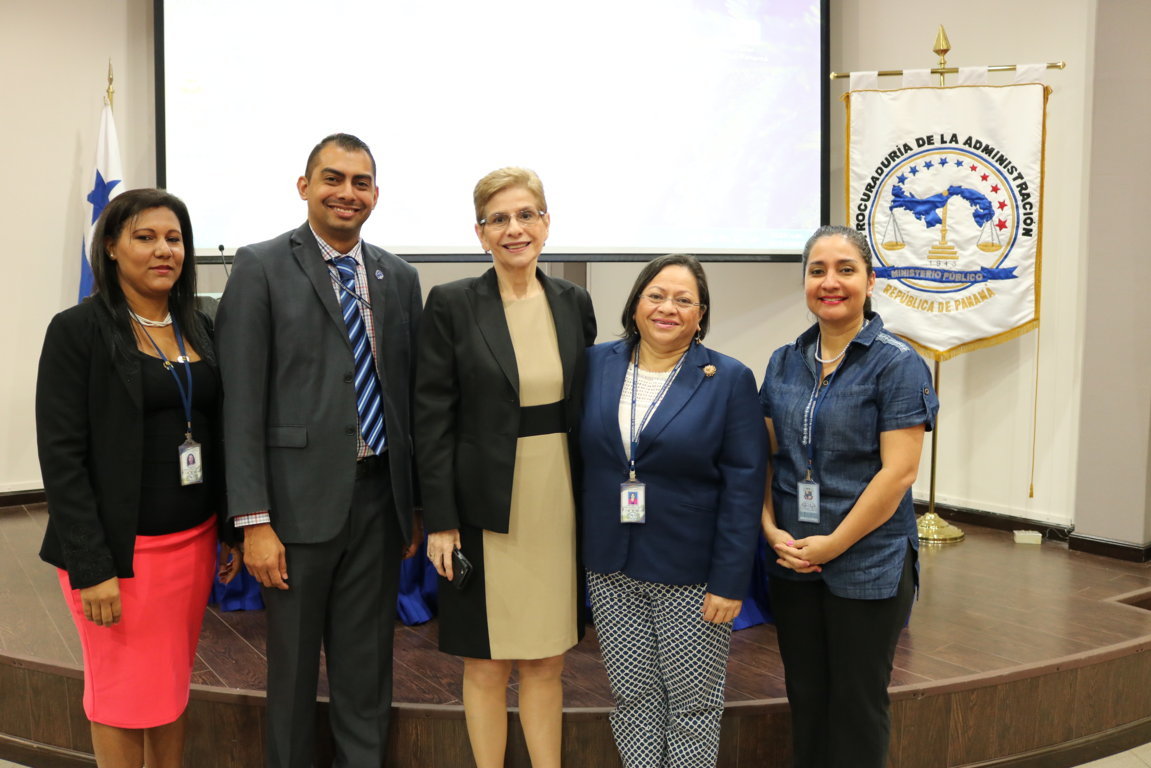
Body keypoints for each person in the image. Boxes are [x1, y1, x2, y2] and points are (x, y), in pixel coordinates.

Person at [215, 133, 423, 768]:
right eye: (333, 178)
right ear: (304, 187)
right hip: (293, 511)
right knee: (294, 675)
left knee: (367, 673)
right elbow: (240, 402)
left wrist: (412, 507)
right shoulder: (260, 266)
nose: (347, 193)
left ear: (376, 195)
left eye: (361, 183)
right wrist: (253, 520)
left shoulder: (399, 276)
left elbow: (408, 399)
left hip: (377, 501)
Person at [36, 188, 242, 768]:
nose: (162, 251)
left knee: (171, 687)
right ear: (111, 246)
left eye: (173, 239)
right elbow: (62, 457)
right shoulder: (77, 330)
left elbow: (218, 429)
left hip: (192, 545)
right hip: (118, 558)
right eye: (145, 237)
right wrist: (91, 567)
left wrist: (226, 528)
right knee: (122, 694)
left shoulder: (199, 326)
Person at [417, 167, 597, 768]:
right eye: (499, 220)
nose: (514, 229)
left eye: (526, 215)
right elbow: (432, 420)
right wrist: (441, 521)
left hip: (558, 501)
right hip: (482, 505)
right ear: (480, 233)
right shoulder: (450, 304)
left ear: (546, 222)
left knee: (548, 659)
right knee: (487, 661)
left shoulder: (574, 302)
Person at [760, 225, 939, 768]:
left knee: (857, 704)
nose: (830, 282)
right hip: (794, 558)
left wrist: (834, 543)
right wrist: (769, 529)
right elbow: (766, 458)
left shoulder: (896, 363)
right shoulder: (784, 361)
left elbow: (899, 474)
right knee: (807, 698)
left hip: (868, 561)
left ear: (869, 280)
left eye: (845, 269)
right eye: (818, 271)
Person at [580, 253, 767, 767]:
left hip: (693, 574)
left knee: (692, 707)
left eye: (684, 300)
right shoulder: (596, 364)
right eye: (657, 295)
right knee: (634, 701)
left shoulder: (727, 378)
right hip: (611, 565)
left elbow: (744, 485)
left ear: (700, 315)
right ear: (636, 303)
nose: (668, 308)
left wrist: (731, 581)